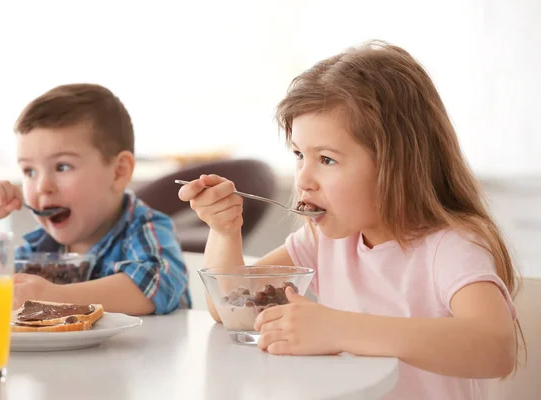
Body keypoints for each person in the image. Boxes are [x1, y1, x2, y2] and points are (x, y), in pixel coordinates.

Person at [178, 41, 524, 399]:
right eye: (299, 154)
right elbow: (231, 310)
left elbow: (496, 350)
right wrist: (224, 230)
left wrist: (338, 328)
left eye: (326, 159)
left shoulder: (449, 246)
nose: (303, 179)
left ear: (397, 165)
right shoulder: (325, 241)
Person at [0, 83, 190, 315]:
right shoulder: (41, 248)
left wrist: (51, 297)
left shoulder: (145, 228)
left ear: (119, 172)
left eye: (62, 166)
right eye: (29, 171)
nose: (42, 187)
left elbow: (155, 284)